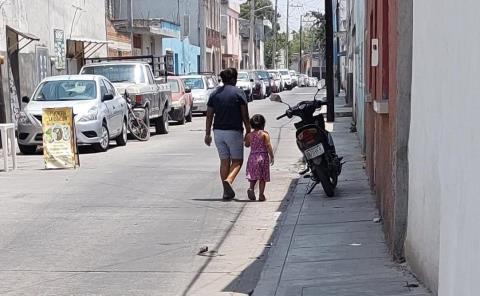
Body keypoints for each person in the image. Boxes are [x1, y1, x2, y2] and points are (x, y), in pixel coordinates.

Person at [204, 68, 251, 200]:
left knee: (224, 161)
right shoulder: (239, 93)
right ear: (234, 79)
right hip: (234, 132)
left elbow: (209, 116)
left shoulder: (214, 94)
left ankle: (226, 192)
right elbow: (245, 115)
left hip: (218, 132)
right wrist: (248, 131)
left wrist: (207, 134)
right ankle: (229, 180)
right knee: (237, 161)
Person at [245, 114, 274, 202]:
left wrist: (247, 139)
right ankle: (261, 194)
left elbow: (246, 145)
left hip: (253, 157)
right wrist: (272, 156)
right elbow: (268, 146)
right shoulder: (265, 134)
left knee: (253, 175)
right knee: (262, 177)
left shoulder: (249, 135)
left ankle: (251, 188)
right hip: (263, 157)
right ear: (263, 124)